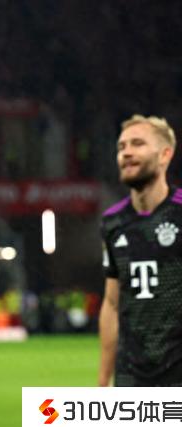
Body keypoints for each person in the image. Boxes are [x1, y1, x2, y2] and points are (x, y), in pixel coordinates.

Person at [98, 114, 181, 387]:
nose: (127, 153)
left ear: (165, 154)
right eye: (121, 147)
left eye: (138, 144)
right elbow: (112, 304)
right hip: (131, 377)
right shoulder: (112, 222)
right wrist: (103, 380)